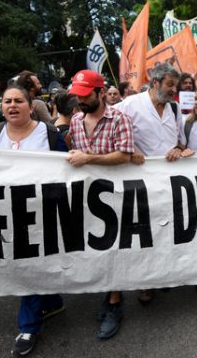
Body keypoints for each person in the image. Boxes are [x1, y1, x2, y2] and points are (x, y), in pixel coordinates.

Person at [0, 85, 64, 355]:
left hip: (43, 211)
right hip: (5, 213)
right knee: (23, 264)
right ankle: (52, 300)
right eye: (7, 102)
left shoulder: (49, 135)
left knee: (30, 266)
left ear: (30, 105)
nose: (12, 106)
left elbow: (65, 169)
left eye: (18, 101)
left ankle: (29, 326)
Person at [65, 70, 135, 341]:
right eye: (77, 96)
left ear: (101, 93)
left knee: (114, 247)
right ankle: (108, 295)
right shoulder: (76, 119)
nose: (80, 101)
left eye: (85, 96)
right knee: (95, 247)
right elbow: (72, 149)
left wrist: (89, 159)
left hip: (115, 196)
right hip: (86, 196)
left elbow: (125, 155)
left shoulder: (120, 118)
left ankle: (115, 302)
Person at [114, 62, 185, 303]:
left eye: (175, 85)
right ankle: (144, 284)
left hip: (167, 182)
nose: (173, 90)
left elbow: (181, 142)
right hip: (139, 181)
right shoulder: (130, 105)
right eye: (169, 85)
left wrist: (178, 149)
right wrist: (129, 148)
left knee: (166, 230)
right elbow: (111, 130)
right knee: (143, 234)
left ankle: (162, 276)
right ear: (155, 83)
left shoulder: (175, 109)